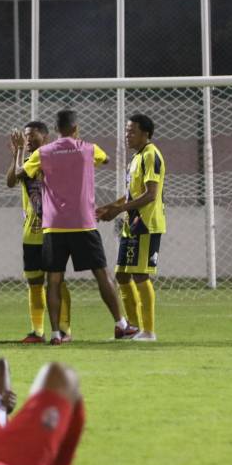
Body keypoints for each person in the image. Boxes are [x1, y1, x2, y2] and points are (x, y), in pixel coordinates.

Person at [21, 110, 129, 344]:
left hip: (53, 226)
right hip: (83, 223)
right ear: (75, 128)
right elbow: (106, 159)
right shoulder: (88, 148)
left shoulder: (43, 152)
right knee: (101, 273)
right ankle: (121, 324)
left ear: (56, 129)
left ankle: (56, 333)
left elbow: (23, 172)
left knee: (54, 280)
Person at [96, 114, 166, 342]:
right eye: (126, 131)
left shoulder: (151, 155)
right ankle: (133, 328)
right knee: (122, 276)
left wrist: (119, 210)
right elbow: (131, 194)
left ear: (145, 133)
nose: (127, 136)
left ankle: (149, 331)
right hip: (131, 224)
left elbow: (151, 194)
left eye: (132, 131)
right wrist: (110, 206)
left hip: (146, 224)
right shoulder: (136, 158)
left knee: (139, 274)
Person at [5, 122, 72, 344]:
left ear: (45, 137)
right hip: (31, 233)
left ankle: (64, 329)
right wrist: (17, 153)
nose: (28, 140)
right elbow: (10, 181)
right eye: (25, 136)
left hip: (53, 230)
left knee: (57, 281)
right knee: (34, 282)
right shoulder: (24, 160)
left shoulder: (55, 158)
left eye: (32, 136)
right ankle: (37, 330)